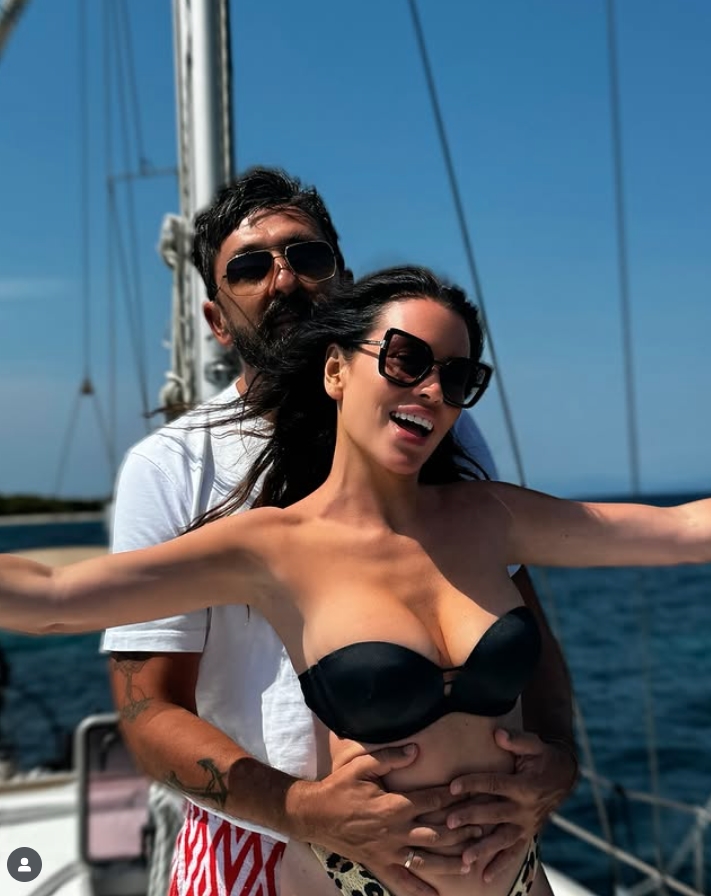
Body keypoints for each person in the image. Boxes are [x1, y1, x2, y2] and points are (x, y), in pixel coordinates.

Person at [3, 265, 711, 896]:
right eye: (406, 359)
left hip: (516, 877)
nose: (431, 389)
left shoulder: (491, 516)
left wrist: (557, 760)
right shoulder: (273, 547)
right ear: (336, 371)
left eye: (457, 378)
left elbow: (683, 530)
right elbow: (52, 601)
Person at [102, 169, 577, 896]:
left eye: (308, 256)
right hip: (257, 848)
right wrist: (299, 809)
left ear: (345, 283)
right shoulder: (173, 468)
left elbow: (522, 622)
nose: (284, 280)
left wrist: (558, 760)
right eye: (249, 267)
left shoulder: (437, 429)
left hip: (475, 855)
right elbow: (147, 709)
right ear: (217, 321)